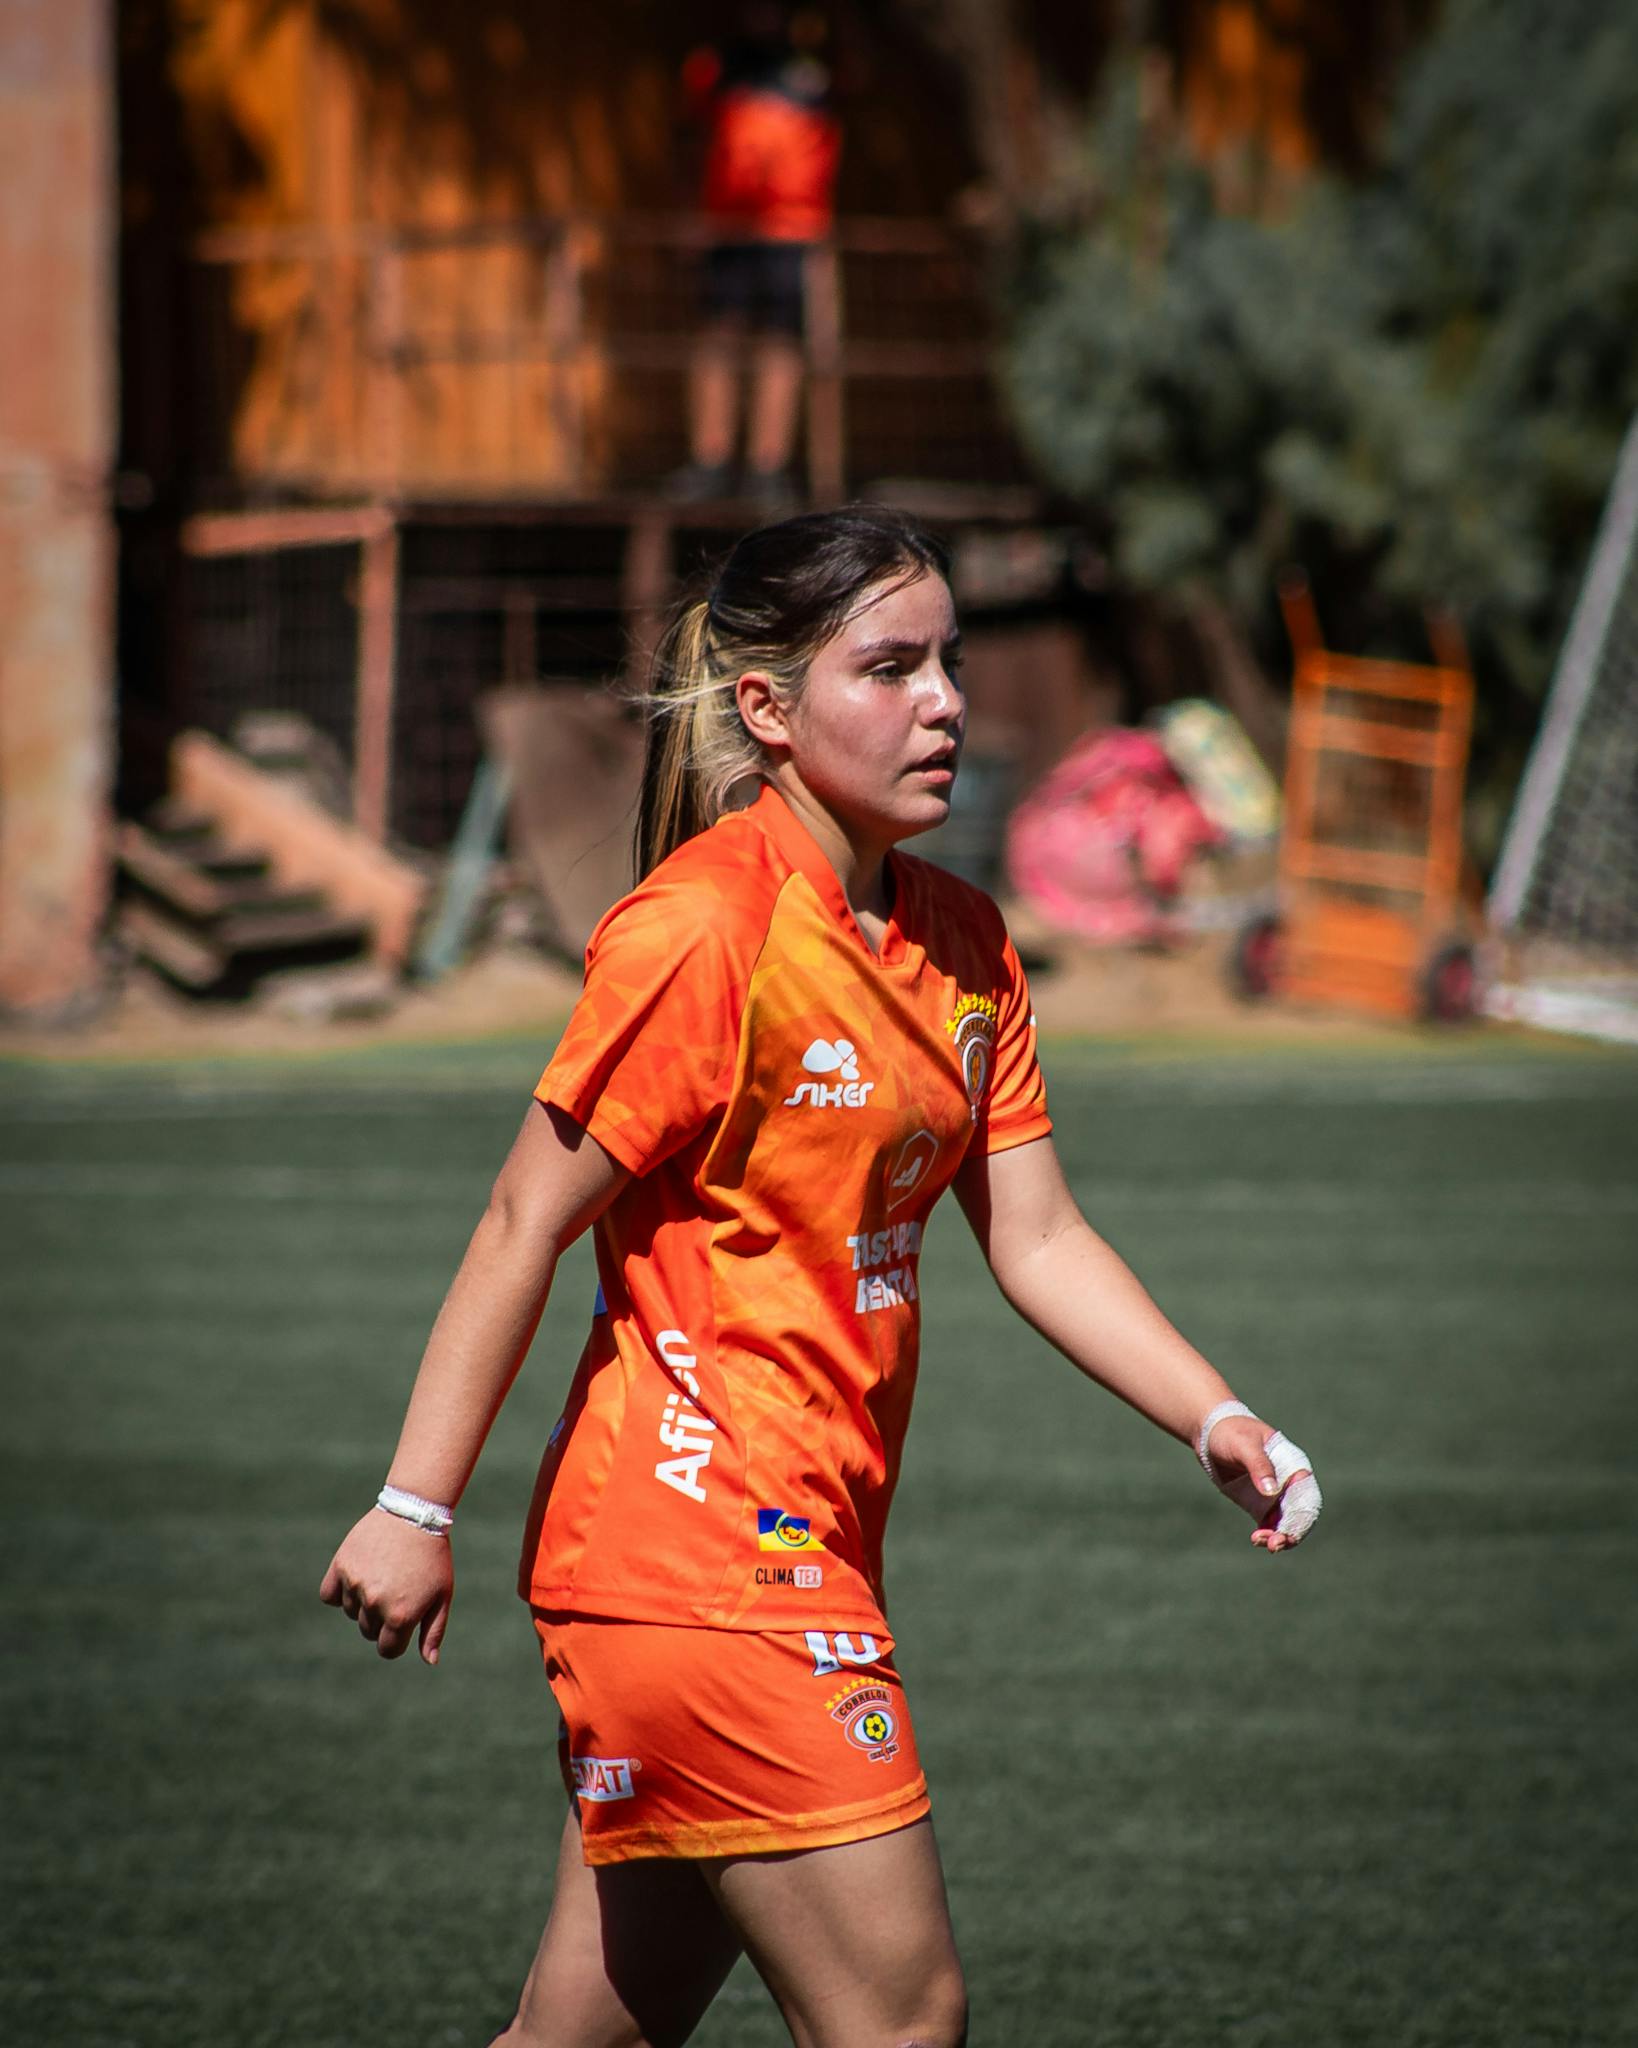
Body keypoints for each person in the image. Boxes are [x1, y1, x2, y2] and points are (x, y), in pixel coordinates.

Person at [319, 505, 1322, 2048]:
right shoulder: (702, 932)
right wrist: (413, 1507)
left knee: (584, 2037)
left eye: (951, 664)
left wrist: (1216, 1416)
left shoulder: (966, 944)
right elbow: (525, 1215)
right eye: (889, 667)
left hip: (781, 1558)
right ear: (768, 710)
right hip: (704, 1564)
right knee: (902, 2017)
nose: (942, 703)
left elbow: (1038, 1237)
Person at [669, 6, 841, 506]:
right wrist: (688, 212)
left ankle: (769, 467)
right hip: (725, 228)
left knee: (782, 344)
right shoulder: (713, 67)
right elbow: (686, 141)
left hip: (795, 230)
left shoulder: (818, 68)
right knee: (717, 338)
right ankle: (711, 460)